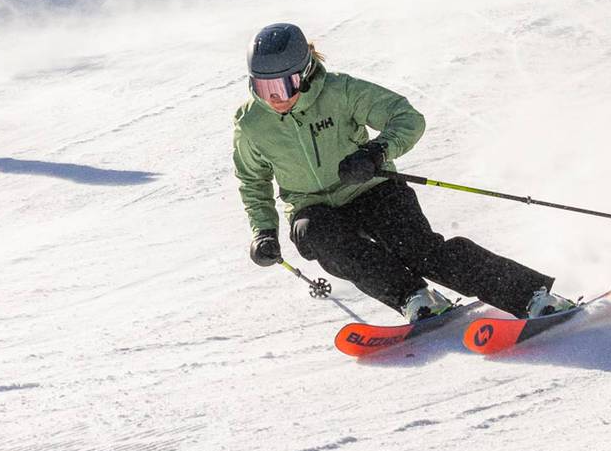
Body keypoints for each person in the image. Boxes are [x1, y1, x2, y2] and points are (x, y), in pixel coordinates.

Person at [233, 23, 573, 323]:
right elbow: (253, 179)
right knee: (318, 237)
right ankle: (414, 297)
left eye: (285, 86)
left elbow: (407, 117)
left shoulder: (341, 92)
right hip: (313, 209)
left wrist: (376, 152)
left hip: (371, 188)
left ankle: (531, 296)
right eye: (264, 89)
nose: (276, 99)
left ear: (305, 74)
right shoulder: (252, 123)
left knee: (418, 249)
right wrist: (263, 231)